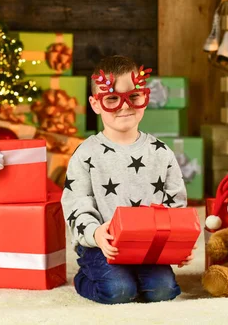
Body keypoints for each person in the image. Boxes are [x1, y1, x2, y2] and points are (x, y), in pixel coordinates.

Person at [61, 55, 193, 304]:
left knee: (164, 292)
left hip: (149, 246)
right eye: (112, 98)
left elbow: (176, 204)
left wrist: (176, 245)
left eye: (133, 96)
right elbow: (76, 203)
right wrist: (96, 234)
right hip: (103, 246)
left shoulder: (161, 152)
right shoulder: (86, 154)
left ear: (145, 98)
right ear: (95, 104)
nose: (124, 106)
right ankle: (85, 278)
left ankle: (136, 277)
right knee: (119, 291)